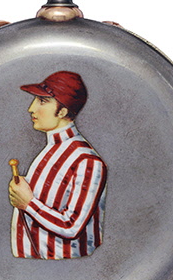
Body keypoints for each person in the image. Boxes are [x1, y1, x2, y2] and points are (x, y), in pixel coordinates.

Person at [8, 71, 107, 259]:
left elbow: (72, 227)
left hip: (69, 268)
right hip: (32, 266)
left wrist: (28, 203)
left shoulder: (87, 161)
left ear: (62, 112)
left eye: (42, 101)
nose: (31, 108)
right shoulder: (50, 149)